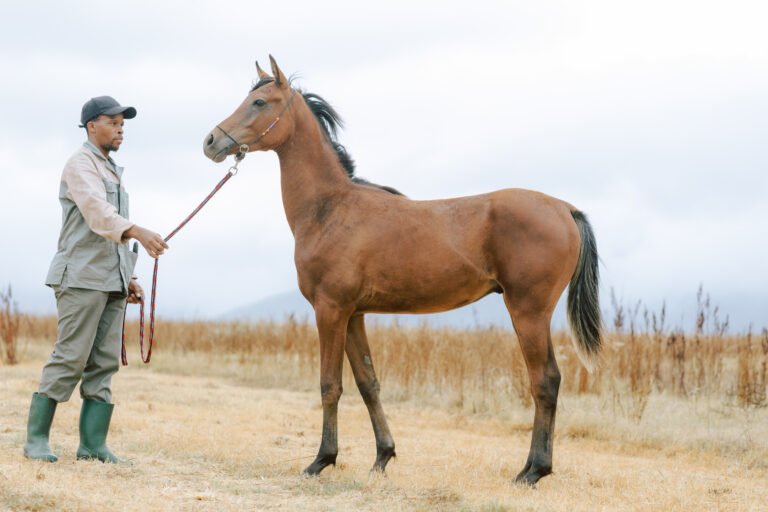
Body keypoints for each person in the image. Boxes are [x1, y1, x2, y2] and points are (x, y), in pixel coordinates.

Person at [24, 96, 169, 463]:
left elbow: (111, 233)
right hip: (80, 278)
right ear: (92, 125)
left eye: (124, 123)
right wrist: (138, 231)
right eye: (113, 121)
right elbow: (98, 214)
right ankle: (35, 441)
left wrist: (129, 276)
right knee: (70, 357)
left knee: (104, 362)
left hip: (111, 280)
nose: (121, 128)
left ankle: (92, 445)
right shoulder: (79, 165)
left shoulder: (111, 169)